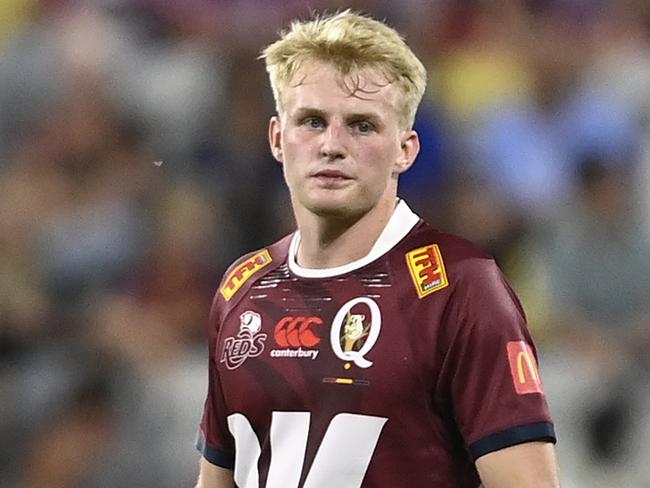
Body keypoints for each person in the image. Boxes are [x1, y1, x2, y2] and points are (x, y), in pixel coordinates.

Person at [195, 10, 559, 488]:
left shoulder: (460, 287)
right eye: (311, 121)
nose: (332, 144)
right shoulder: (242, 289)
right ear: (278, 139)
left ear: (405, 150)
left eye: (362, 126)